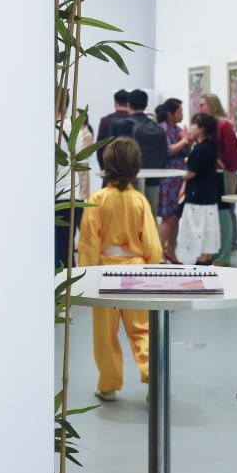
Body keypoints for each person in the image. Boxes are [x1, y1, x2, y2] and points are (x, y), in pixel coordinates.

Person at [78, 137, 163, 401]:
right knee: (142, 330)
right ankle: (152, 378)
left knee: (105, 335)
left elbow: (88, 244)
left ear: (107, 165)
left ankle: (108, 385)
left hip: (104, 275)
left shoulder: (97, 200)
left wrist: (85, 277)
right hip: (137, 273)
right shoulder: (140, 201)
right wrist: (152, 268)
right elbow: (152, 245)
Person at [198, 93, 237, 264]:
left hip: (224, 174)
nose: (200, 108)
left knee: (225, 211)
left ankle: (225, 253)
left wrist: (222, 164)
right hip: (213, 174)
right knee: (216, 213)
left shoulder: (223, 125)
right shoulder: (211, 126)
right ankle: (216, 252)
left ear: (211, 105)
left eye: (203, 104)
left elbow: (233, 155)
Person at [176, 113, 221, 265]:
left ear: (201, 129)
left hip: (197, 197)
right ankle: (206, 263)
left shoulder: (200, 149)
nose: (190, 127)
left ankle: (199, 265)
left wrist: (178, 174)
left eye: (194, 124)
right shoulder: (212, 145)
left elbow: (190, 173)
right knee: (208, 233)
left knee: (197, 232)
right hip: (210, 195)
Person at [54, 97, 94, 269]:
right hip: (71, 192)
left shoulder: (54, 130)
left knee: (56, 249)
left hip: (58, 194)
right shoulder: (76, 130)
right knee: (65, 248)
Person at [111, 89, 161, 213]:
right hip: (154, 178)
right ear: (146, 104)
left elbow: (118, 153)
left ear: (128, 105)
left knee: (131, 215)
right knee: (150, 214)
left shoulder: (124, 125)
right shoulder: (154, 125)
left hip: (130, 179)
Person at [155, 98, 190, 263]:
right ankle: (158, 253)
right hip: (168, 178)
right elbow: (168, 151)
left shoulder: (178, 129)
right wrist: (184, 140)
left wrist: (187, 141)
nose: (182, 114)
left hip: (179, 177)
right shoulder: (162, 128)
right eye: (179, 111)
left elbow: (185, 151)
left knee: (175, 217)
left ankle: (171, 251)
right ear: (170, 114)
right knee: (168, 217)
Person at [95, 89, 129, 168]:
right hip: (129, 167)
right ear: (128, 103)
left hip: (110, 167)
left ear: (115, 103)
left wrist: (103, 168)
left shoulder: (105, 120)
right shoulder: (132, 120)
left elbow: (100, 146)